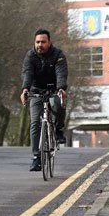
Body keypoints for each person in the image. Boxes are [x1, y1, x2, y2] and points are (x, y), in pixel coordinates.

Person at [20, 29, 68, 171]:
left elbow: (61, 73)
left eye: (43, 42)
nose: (39, 45)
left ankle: (59, 129)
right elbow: (27, 73)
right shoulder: (30, 56)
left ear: (49, 42)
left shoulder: (58, 55)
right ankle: (37, 157)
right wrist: (25, 90)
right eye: (37, 42)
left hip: (54, 89)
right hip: (36, 91)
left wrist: (61, 88)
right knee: (35, 122)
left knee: (59, 105)